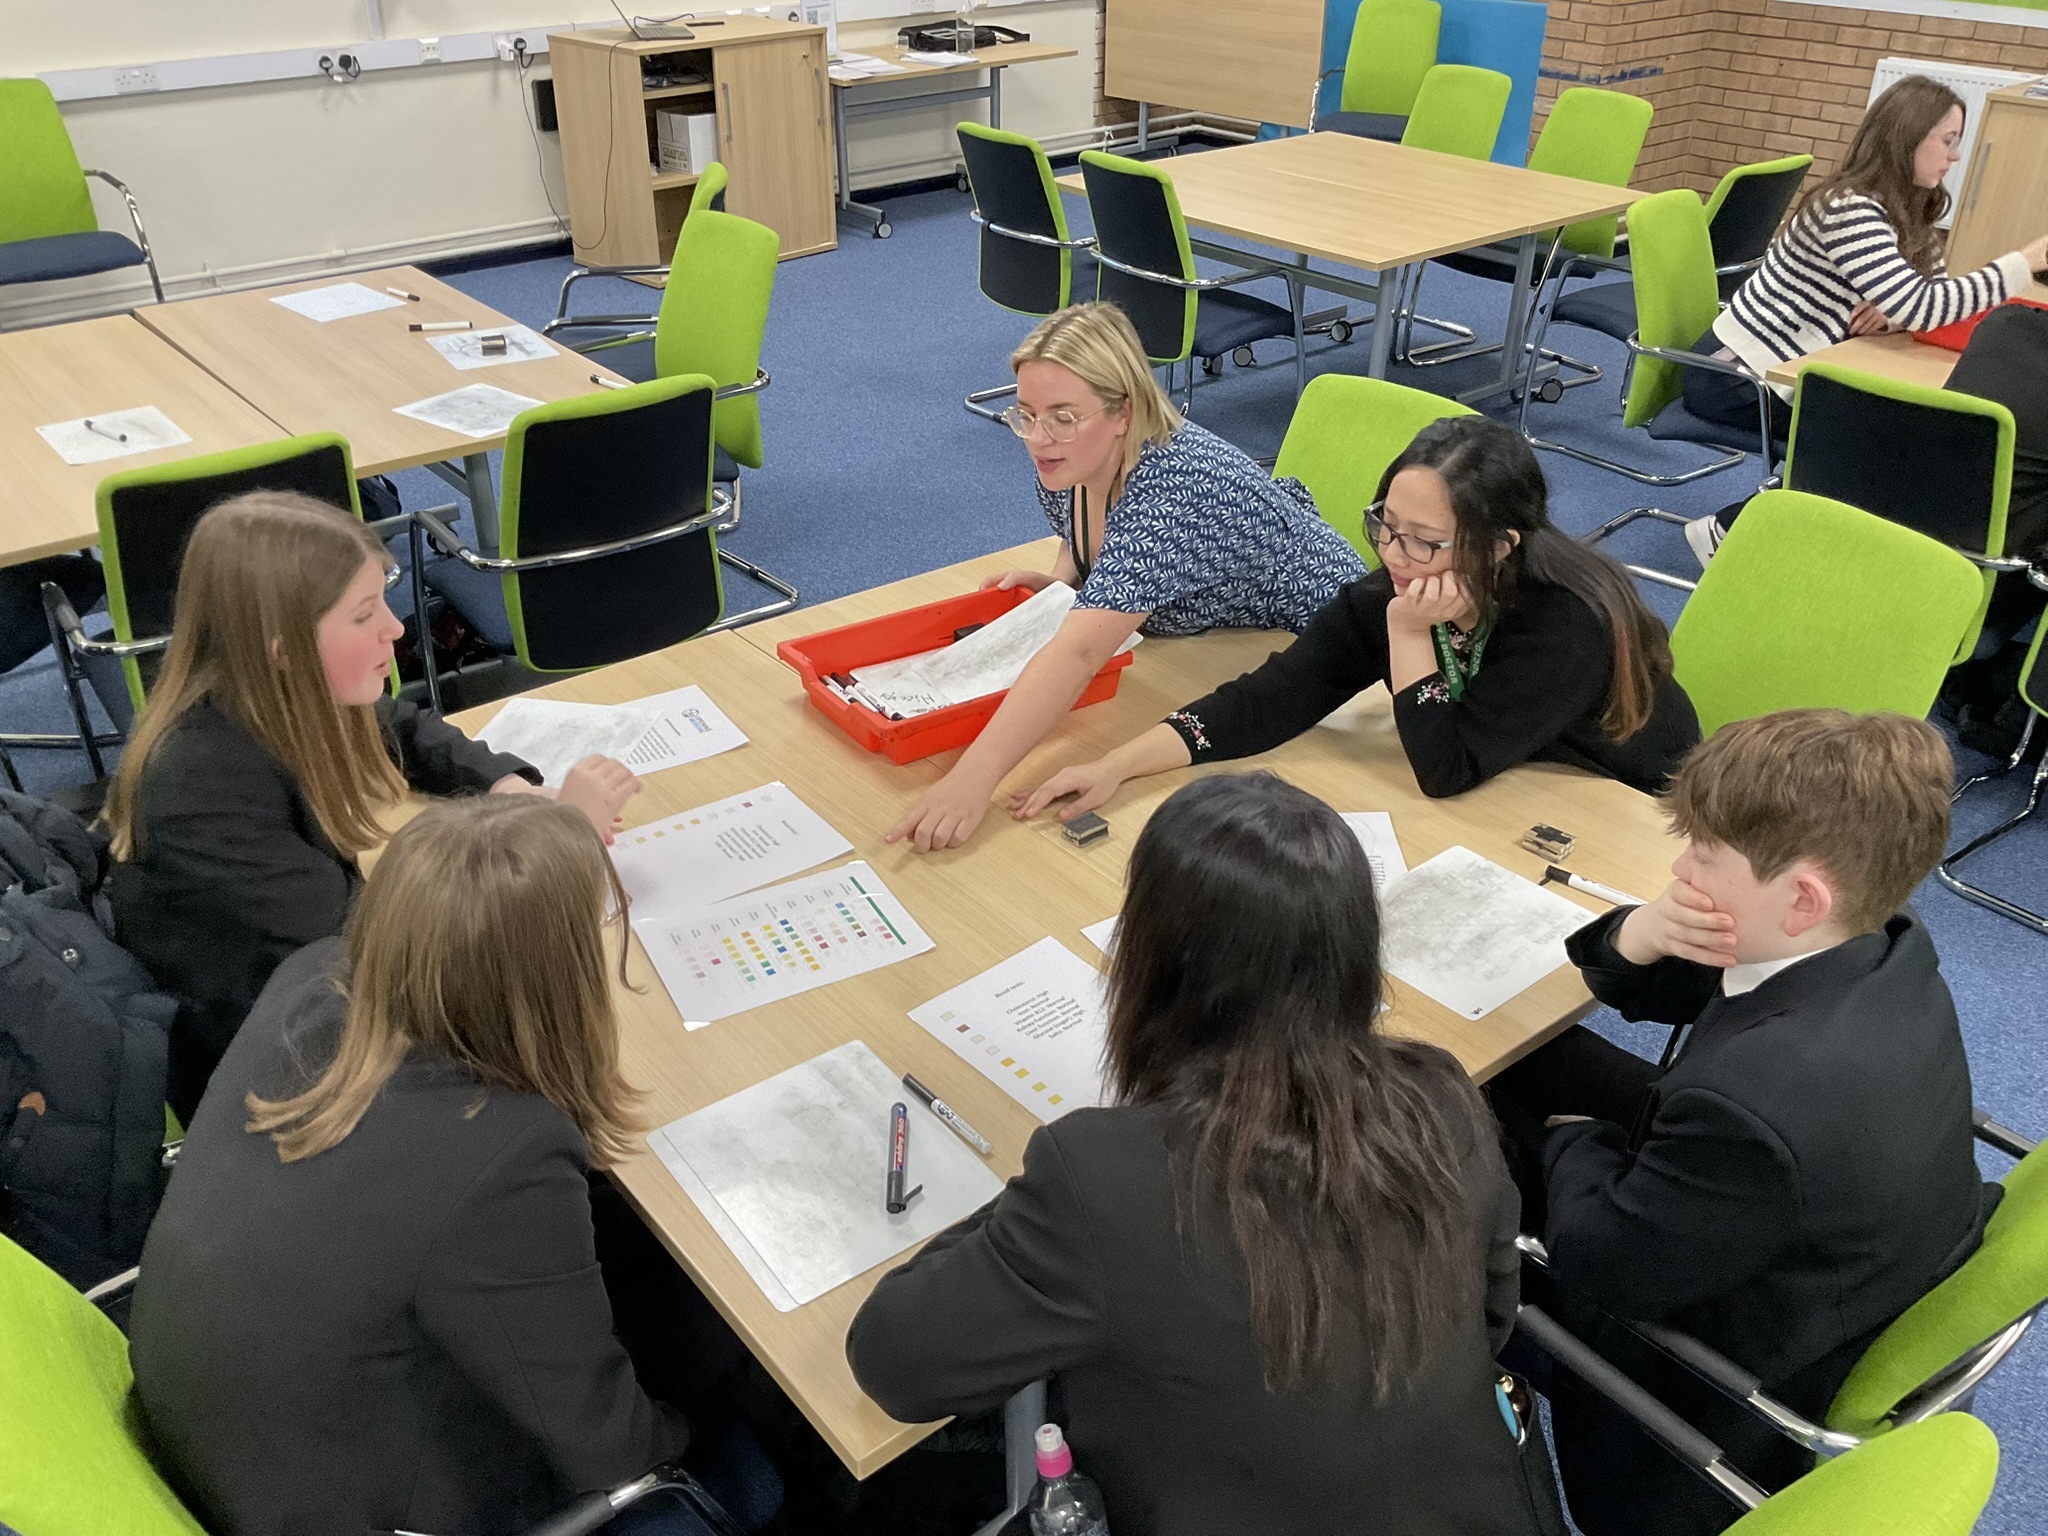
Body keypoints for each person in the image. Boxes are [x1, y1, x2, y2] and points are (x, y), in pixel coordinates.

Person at [849, 774, 1552, 1536]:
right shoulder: (1442, 1093)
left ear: (1153, 959)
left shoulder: (1102, 1180)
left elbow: (893, 1362)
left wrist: (1055, 1193)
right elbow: (1489, 1319)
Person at [129, 796, 780, 1536]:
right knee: (734, 1324)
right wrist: (685, 1430)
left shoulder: (309, 979)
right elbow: (612, 1448)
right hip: (353, 1502)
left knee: (636, 1246)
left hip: (219, 1420)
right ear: (552, 975)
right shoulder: (503, 1150)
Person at [1490, 710, 1994, 1536]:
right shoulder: (1876, 938)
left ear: (1802, 898)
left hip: (1704, 1376)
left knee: (1440, 1143)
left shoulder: (1755, 1107)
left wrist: (1569, 1134)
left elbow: (1599, 1263)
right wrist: (1643, 931)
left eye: (1704, 854)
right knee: (1520, 1064)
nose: (1680, 868)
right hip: (1789, 1236)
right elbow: (1670, 991)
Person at [102, 491, 642, 1121]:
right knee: (566, 1064)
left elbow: (404, 726)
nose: (397, 627)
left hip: (331, 989)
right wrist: (553, 843)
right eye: (364, 615)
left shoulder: (278, 689)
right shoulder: (202, 791)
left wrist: (505, 786)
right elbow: (373, 946)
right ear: (283, 649)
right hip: (276, 1062)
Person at [1015, 416, 1699, 819]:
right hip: (1515, 781)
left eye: (1424, 541)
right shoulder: (1394, 589)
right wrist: (1118, 765)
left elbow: (1447, 768)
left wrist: (1409, 633)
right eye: (1386, 526)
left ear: (1498, 547)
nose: (1394, 556)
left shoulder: (1562, 626)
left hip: (1629, 804)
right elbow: (1271, 697)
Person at [885, 303, 1365, 852]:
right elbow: (1087, 529)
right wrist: (1067, 583)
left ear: (1123, 413)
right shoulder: (1073, 455)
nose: (1038, 438)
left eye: (1063, 417)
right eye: (1026, 414)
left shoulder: (1172, 494)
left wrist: (973, 779)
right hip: (1215, 634)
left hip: (1314, 645)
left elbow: (1079, 655)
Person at [1681, 74, 2048, 567]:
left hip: (1792, 372)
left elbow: (1930, 297)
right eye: (1947, 141)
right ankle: (1727, 529)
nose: (1956, 156)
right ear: (1907, 139)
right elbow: (1923, 305)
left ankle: (1804, 532)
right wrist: (2024, 262)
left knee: (1889, 432)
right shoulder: (1848, 207)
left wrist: (1898, 313)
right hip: (1734, 377)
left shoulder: (1909, 206)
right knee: (1874, 438)